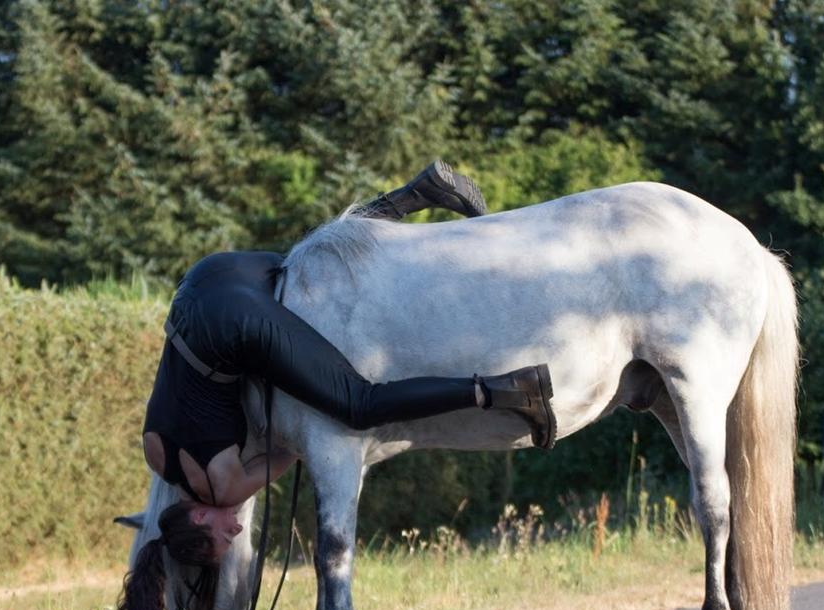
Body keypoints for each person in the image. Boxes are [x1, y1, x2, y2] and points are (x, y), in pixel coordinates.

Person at [144, 161, 554, 563]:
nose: (234, 531)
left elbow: (295, 447)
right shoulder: (155, 455)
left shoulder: (224, 490)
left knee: (357, 406)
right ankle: (419, 192)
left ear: (198, 514)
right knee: (310, 262)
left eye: (221, 535)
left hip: (234, 323)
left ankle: (498, 389)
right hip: (205, 282)